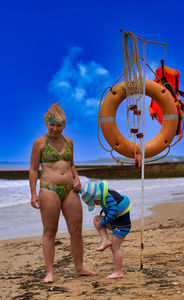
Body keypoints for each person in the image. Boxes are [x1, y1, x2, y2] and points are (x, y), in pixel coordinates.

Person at [29, 103, 96, 282]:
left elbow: (71, 164)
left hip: (69, 190)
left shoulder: (69, 142)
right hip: (49, 189)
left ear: (64, 125)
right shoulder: (40, 143)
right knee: (50, 231)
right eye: (52, 125)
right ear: (46, 124)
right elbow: (34, 170)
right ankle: (50, 272)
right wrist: (33, 194)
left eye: (59, 125)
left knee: (76, 230)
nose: (55, 128)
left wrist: (77, 178)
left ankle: (79, 267)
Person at [79, 181, 132, 279]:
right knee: (96, 219)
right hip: (116, 222)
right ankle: (106, 240)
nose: (96, 204)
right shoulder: (105, 195)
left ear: (97, 196)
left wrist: (102, 224)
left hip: (122, 225)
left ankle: (118, 272)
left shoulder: (108, 198)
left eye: (95, 202)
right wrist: (79, 190)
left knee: (115, 248)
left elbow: (113, 213)